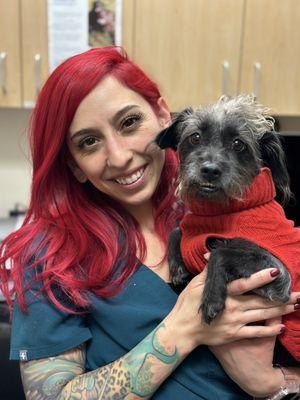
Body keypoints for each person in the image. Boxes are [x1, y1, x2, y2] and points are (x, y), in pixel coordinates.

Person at [0, 46, 299, 400]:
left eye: (129, 122)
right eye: (89, 142)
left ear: (161, 116)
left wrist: (270, 384)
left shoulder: (216, 212)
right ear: (74, 164)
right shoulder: (48, 257)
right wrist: (181, 331)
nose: (120, 156)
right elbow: (48, 397)